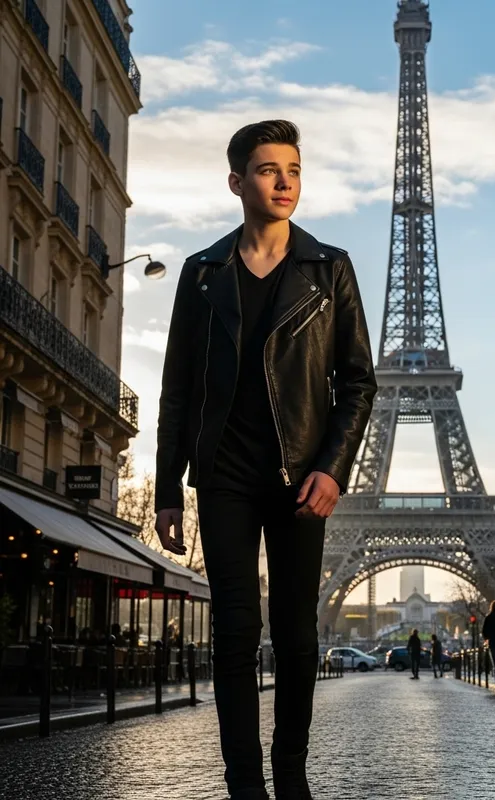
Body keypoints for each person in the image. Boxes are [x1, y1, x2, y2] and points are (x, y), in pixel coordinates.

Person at [154, 120, 377, 800]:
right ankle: (245, 785)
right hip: (223, 471)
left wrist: (333, 467)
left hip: (302, 474)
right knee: (234, 630)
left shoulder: (328, 266)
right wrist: (166, 488)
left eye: (294, 169)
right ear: (236, 182)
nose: (284, 181)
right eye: (267, 169)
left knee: (296, 631)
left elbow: (358, 381)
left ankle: (292, 776)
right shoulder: (200, 273)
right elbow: (178, 387)